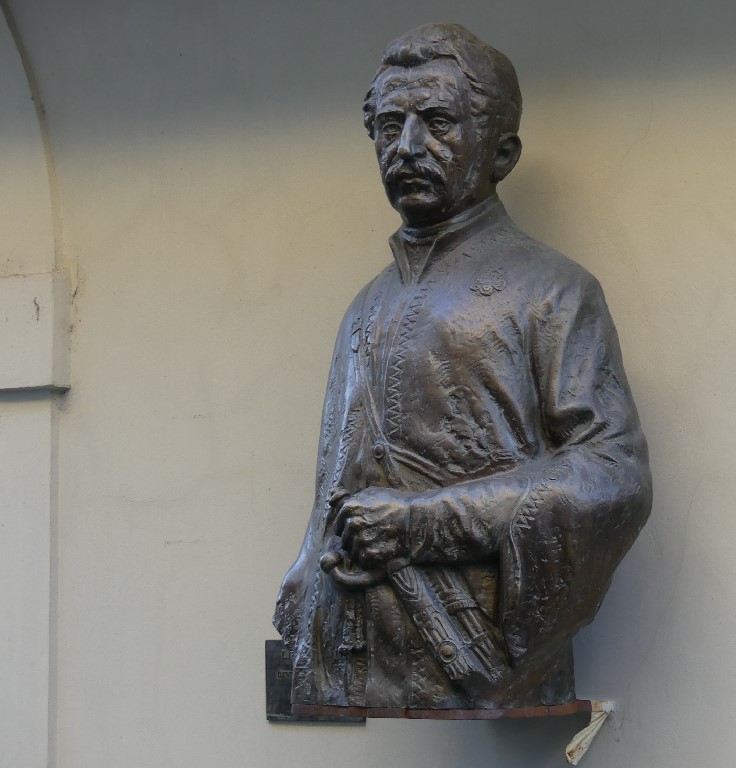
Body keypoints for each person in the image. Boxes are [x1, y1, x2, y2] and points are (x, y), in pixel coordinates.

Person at [274, 22, 651, 713]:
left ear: (501, 151)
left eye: (438, 122)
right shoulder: (363, 308)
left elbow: (613, 476)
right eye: (390, 126)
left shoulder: (553, 291)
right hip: (356, 640)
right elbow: (336, 483)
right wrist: (306, 578)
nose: (408, 147)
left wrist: (423, 523)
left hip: (472, 642)